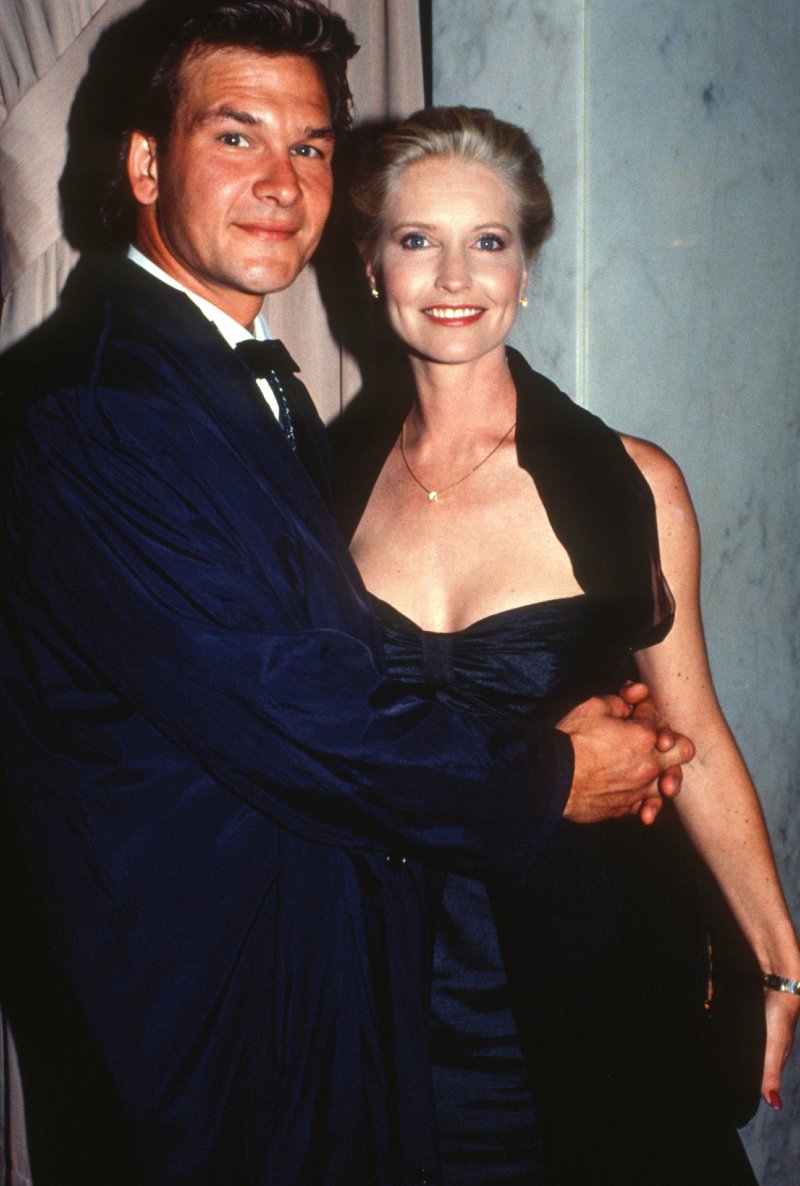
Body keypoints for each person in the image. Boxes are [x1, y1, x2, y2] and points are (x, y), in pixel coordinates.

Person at [0, 6, 694, 1185]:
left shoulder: (225, 382)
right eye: (237, 136)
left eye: (310, 146)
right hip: (205, 1036)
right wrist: (559, 772)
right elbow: (295, 706)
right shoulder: (99, 408)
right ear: (144, 164)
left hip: (312, 1007)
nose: (281, 182)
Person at [337, 105, 800, 1185]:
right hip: (377, 992)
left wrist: (778, 964)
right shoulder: (314, 483)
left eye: (487, 241)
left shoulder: (628, 480)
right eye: (417, 239)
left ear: (526, 269)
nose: (454, 274)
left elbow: (692, 737)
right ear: (369, 265)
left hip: (593, 991)